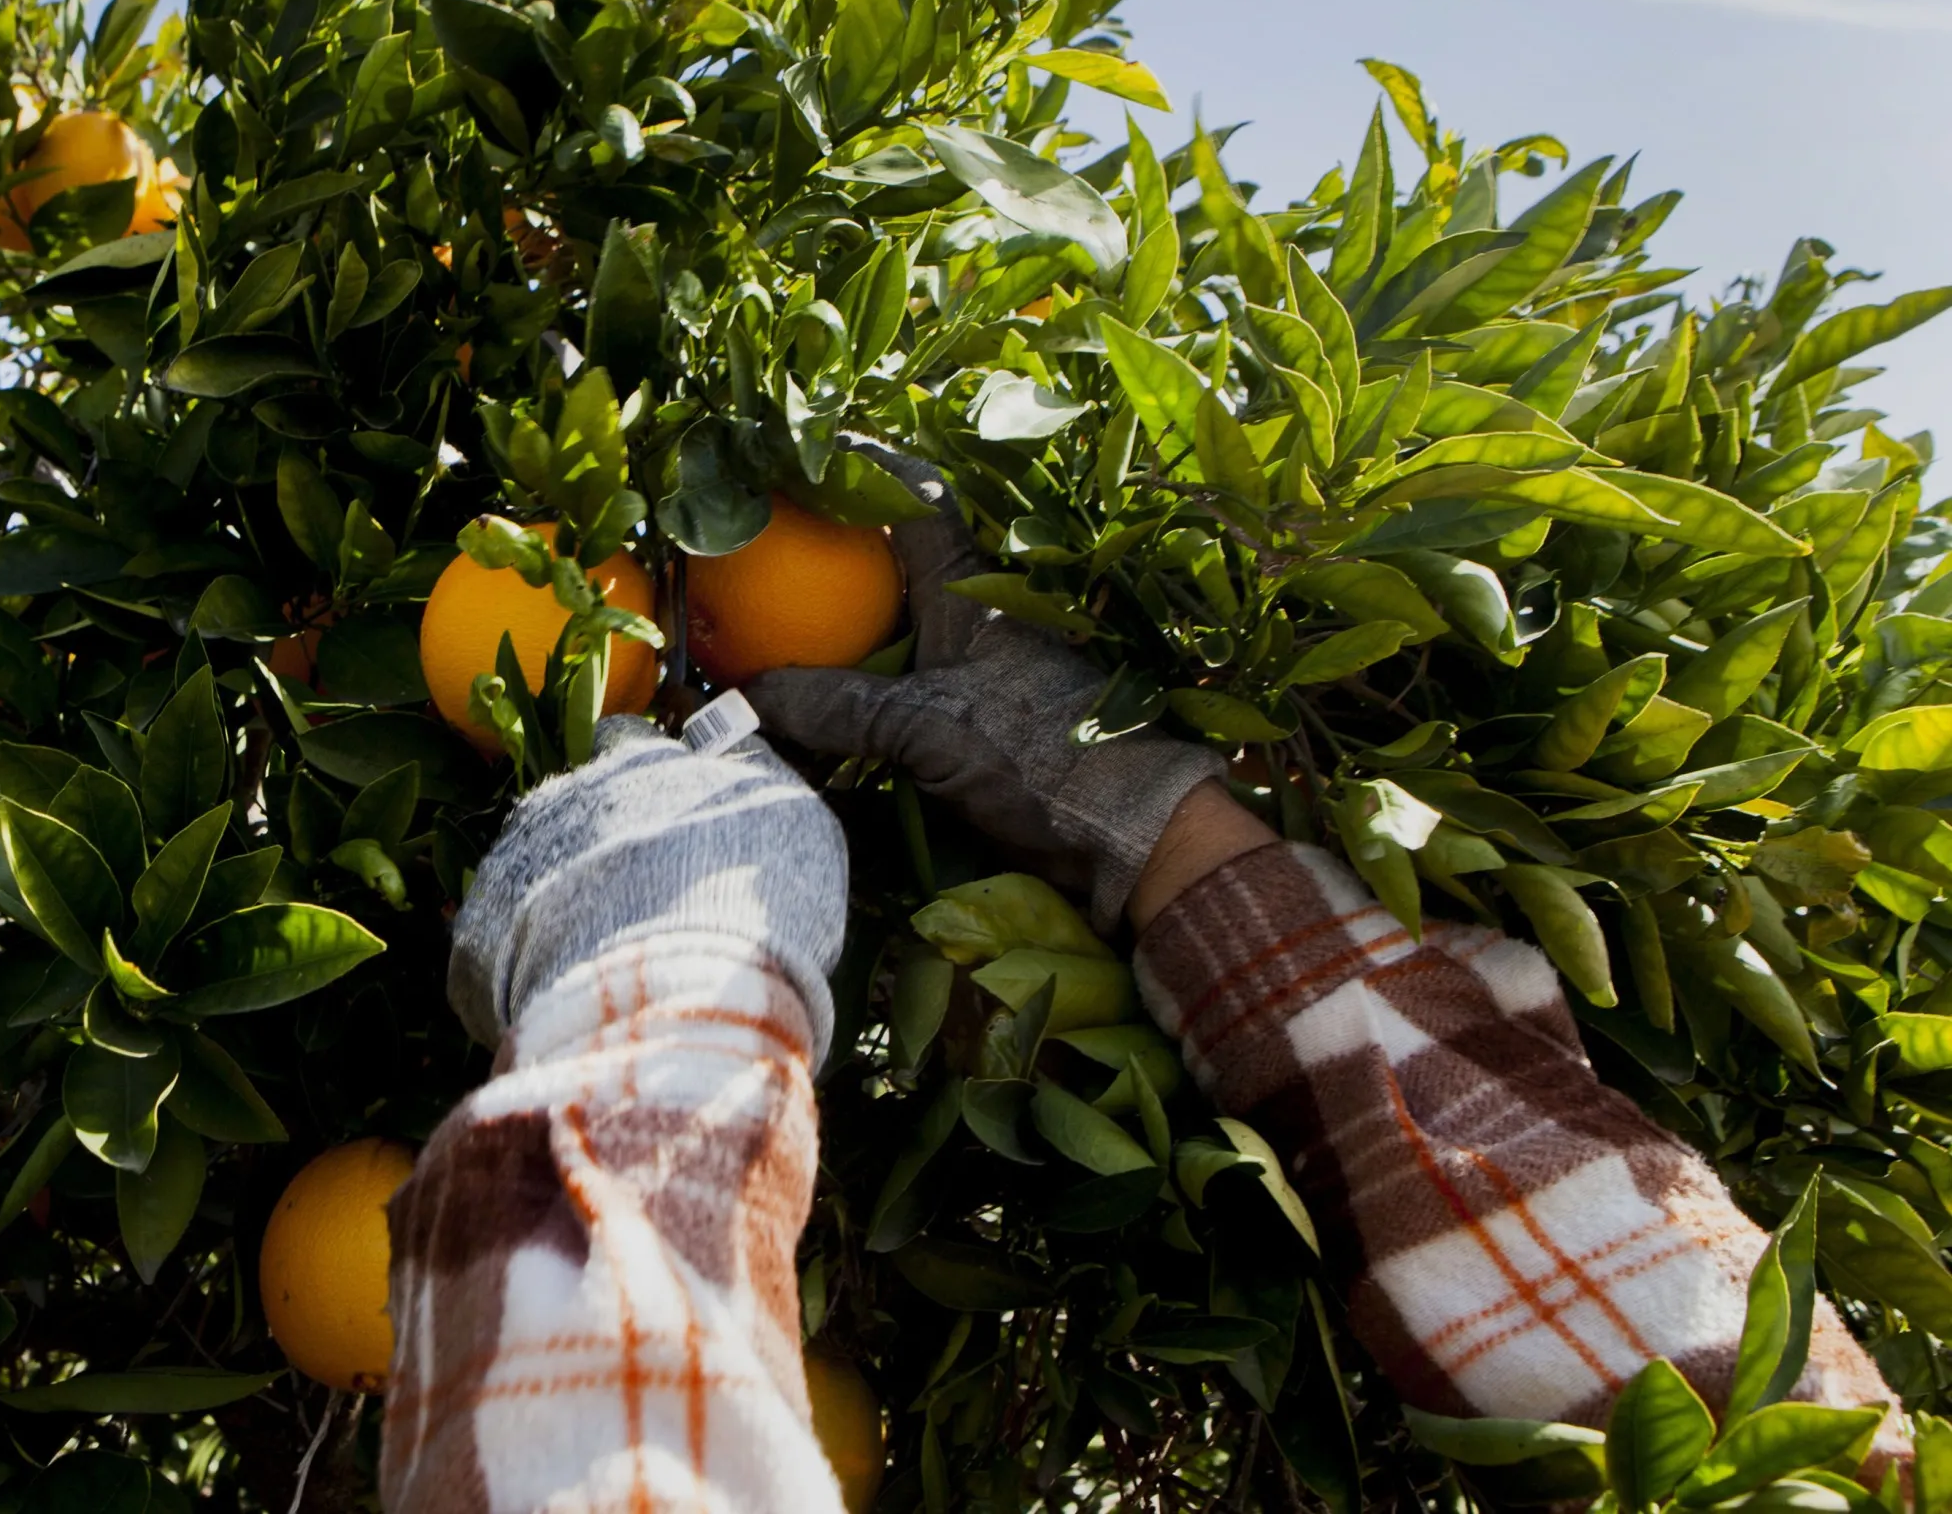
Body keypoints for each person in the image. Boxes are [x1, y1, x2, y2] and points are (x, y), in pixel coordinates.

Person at [380, 456, 1902, 1512]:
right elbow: (1633, 1315)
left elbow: (593, 1453)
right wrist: (1160, 820)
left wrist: (660, 968)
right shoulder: (1824, 1476)